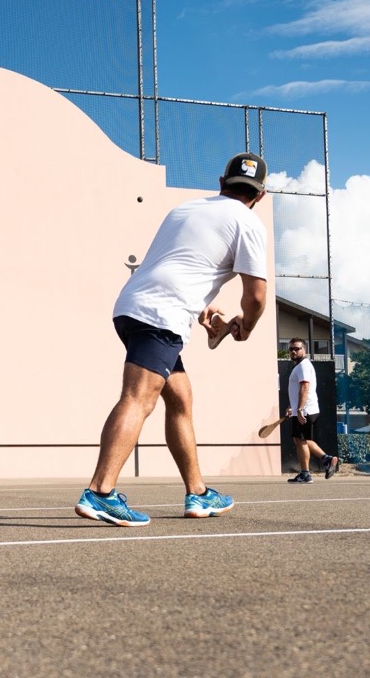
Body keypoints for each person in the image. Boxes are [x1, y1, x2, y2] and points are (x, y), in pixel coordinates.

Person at [75, 152, 270, 526]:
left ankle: (197, 494)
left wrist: (203, 308)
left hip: (133, 306)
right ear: (259, 196)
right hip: (160, 317)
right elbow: (256, 296)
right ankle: (100, 492)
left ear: (220, 183)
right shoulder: (248, 222)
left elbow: (176, 266)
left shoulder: (186, 210)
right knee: (138, 398)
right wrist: (247, 326)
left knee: (180, 397)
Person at [284, 338, 338, 483]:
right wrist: (292, 407)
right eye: (291, 349)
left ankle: (305, 474)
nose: (293, 351)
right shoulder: (299, 366)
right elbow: (297, 390)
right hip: (304, 409)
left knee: (300, 440)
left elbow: (305, 387)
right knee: (303, 439)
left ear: (304, 350)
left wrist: (300, 409)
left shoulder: (303, 366)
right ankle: (326, 459)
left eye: (297, 348)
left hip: (306, 410)